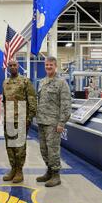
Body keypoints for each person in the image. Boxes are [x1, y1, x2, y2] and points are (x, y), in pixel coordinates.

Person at [36, 56, 72, 187]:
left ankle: (56, 175)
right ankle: (49, 171)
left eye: (51, 65)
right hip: (42, 121)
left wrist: (62, 123)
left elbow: (66, 104)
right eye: (46, 65)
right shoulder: (42, 81)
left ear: (55, 66)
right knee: (43, 149)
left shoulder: (62, 83)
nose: (48, 67)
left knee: (53, 150)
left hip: (53, 123)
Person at [2, 59, 37, 183]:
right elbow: (4, 101)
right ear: (8, 67)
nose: (12, 67)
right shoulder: (5, 82)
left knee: (20, 147)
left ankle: (19, 171)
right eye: (10, 65)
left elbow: (32, 100)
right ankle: (13, 169)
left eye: (14, 65)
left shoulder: (25, 81)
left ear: (18, 66)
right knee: (10, 147)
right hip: (9, 120)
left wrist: (29, 118)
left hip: (21, 119)